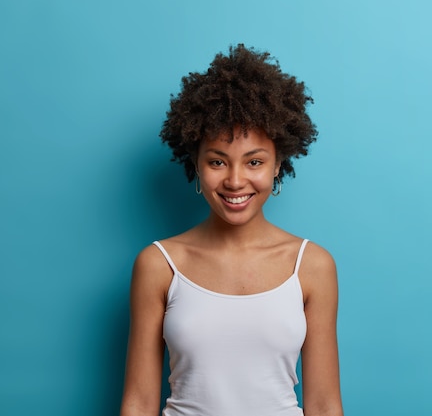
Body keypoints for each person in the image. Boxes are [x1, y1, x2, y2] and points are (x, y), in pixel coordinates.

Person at [120, 44, 343, 416]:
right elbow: (139, 403)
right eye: (217, 161)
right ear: (196, 164)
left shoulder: (312, 265)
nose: (236, 180)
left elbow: (323, 405)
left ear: (277, 164)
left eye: (254, 161)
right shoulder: (158, 264)